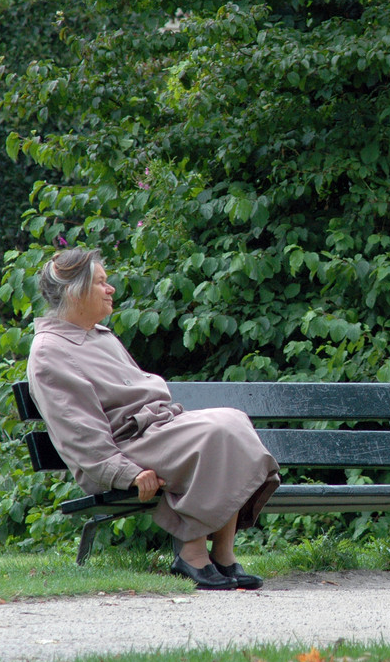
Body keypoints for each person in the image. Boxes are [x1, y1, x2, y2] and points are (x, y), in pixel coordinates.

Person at [26, 248, 281, 590]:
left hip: (157, 433)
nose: (110, 288)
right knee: (217, 432)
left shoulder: (100, 335)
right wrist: (127, 473)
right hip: (130, 448)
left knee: (233, 421)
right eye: (101, 282)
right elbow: (78, 432)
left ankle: (223, 556)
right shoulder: (49, 352)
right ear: (75, 292)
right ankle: (191, 555)